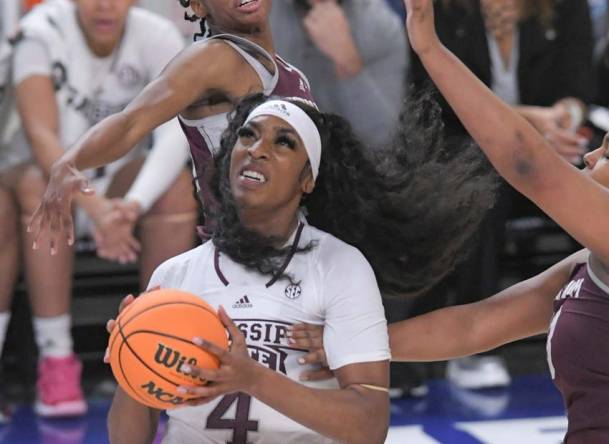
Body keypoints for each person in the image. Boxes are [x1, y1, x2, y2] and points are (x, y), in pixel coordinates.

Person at [291, 1, 609, 441]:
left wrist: (430, 47)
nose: (589, 156)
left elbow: (527, 163)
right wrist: (355, 344)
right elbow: (475, 326)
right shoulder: (593, 267)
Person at [105, 93, 497, 443]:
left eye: (283, 143)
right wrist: (130, 355)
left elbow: (368, 426)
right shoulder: (174, 277)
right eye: (248, 135)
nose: (257, 149)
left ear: (307, 179)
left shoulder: (340, 266)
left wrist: (253, 378)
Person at [0, 0, 196, 418]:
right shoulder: (40, 31)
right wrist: (98, 208)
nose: (105, 4)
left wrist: (131, 204)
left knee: (177, 189)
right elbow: (42, 136)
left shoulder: (157, 35)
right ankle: (56, 360)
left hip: (118, 187)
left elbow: (175, 137)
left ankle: (157, 348)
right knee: (40, 185)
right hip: (49, 181)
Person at [406, 0, 595, 391]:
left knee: (596, 179)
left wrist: (564, 118)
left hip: (547, 151)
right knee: (484, 178)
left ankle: (604, 326)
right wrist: (528, 125)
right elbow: (435, 106)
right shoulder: (442, 12)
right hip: (466, 152)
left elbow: (579, 89)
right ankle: (478, 349)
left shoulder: (565, 8)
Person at [26, 0, 315, 250]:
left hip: (301, 243)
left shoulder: (291, 72)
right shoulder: (211, 59)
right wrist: (69, 163)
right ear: (199, 6)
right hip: (244, 254)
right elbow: (130, 123)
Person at [269, 0, 409, 147]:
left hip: (340, 161)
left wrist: (349, 63)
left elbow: (384, 138)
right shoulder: (258, 9)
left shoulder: (380, 27)